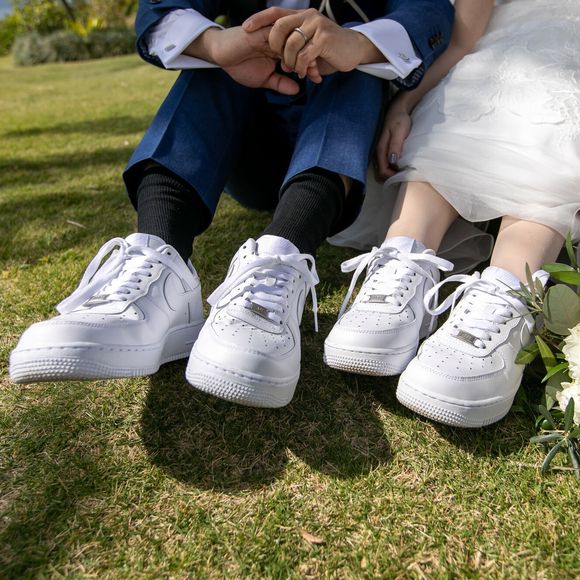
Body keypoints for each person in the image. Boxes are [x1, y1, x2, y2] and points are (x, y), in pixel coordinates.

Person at [9, 0, 455, 409]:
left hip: (346, 147)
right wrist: (216, 44)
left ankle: (283, 255)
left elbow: (429, 9)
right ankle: (160, 262)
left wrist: (356, 43)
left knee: (352, 51)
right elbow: (158, 8)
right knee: (222, 55)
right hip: (250, 143)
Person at [324, 0, 580, 427]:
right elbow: (462, 39)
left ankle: (509, 293)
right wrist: (404, 104)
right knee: (473, 89)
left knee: (560, 109)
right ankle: (405, 258)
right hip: (498, 50)